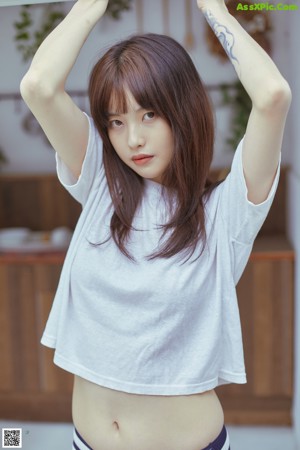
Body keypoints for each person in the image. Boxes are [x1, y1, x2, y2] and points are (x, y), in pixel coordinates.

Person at [20, 0, 291, 449]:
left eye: (149, 115)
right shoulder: (101, 185)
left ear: (181, 111)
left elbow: (273, 96)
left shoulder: (225, 214)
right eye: (116, 121)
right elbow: (39, 87)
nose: (133, 139)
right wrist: (93, 4)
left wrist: (213, 8)